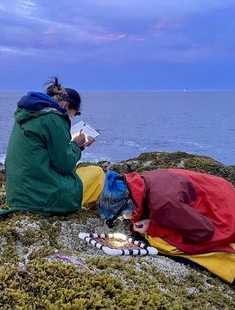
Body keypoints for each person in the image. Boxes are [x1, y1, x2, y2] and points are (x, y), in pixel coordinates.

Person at [97, 168, 235, 283]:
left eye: (121, 215)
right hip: (219, 191)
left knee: (160, 243)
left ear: (128, 204)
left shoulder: (163, 205)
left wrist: (152, 228)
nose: (123, 218)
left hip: (225, 215)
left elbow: (204, 232)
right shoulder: (141, 181)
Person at [4, 77, 104, 215]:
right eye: (75, 113)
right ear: (66, 105)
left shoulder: (28, 114)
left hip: (17, 195)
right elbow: (64, 165)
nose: (71, 118)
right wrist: (76, 144)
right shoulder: (55, 118)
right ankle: (98, 217)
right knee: (97, 173)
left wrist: (75, 145)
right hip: (41, 199)